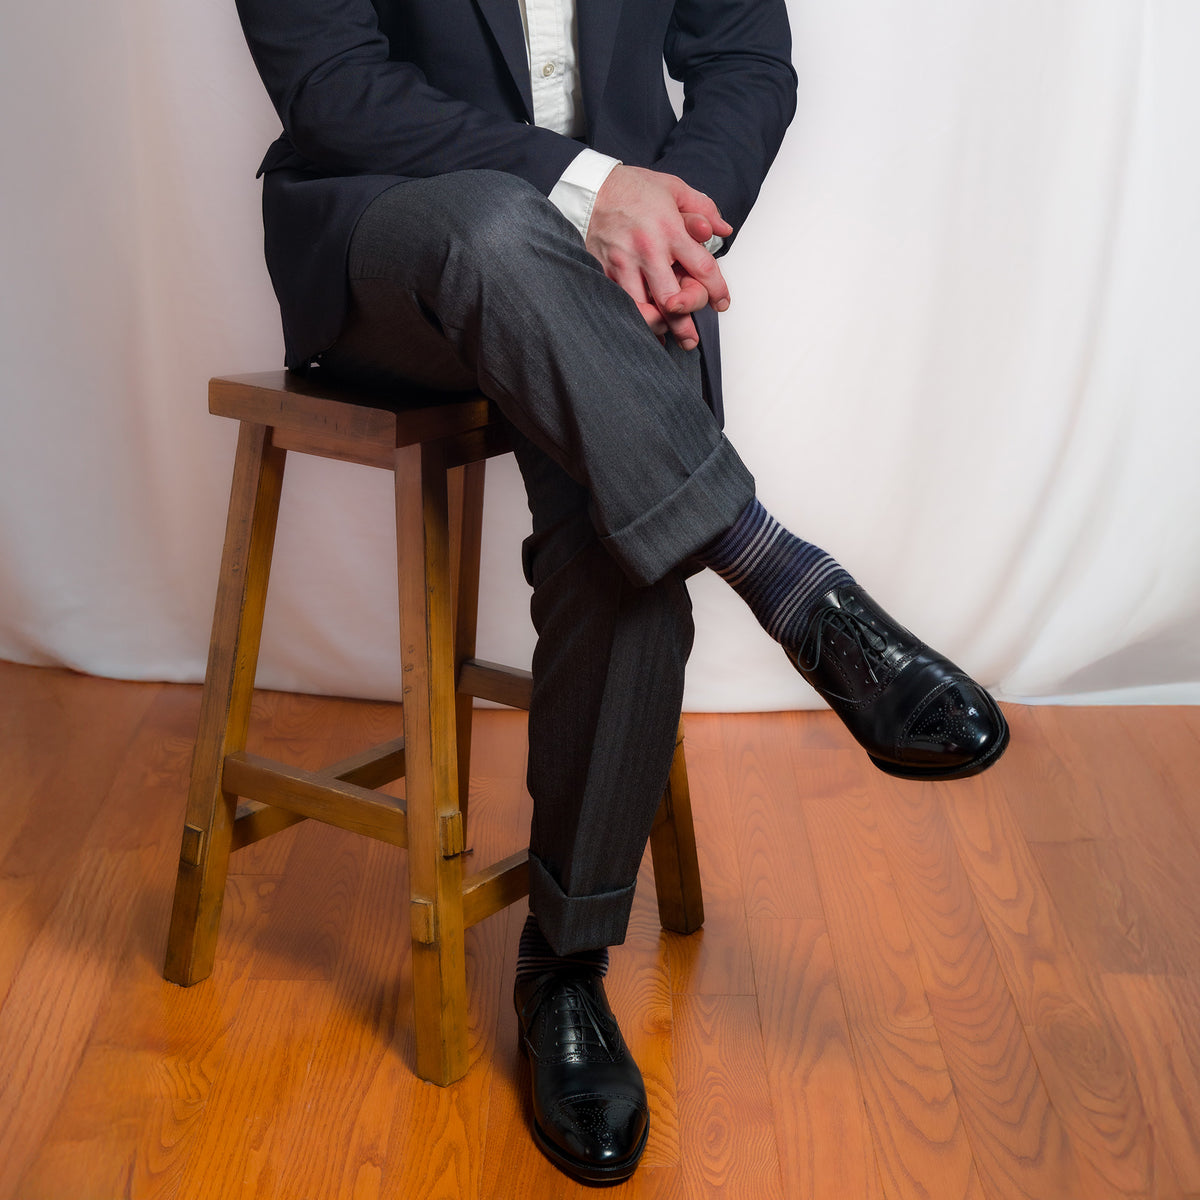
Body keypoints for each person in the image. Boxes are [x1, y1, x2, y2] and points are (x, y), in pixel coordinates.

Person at [235, 0, 1009, 1184]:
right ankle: (785, 576)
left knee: (618, 523)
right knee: (500, 232)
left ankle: (566, 966)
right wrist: (592, 190)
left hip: (624, 273)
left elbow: (745, 57)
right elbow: (335, 84)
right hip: (393, 237)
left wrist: (668, 222)